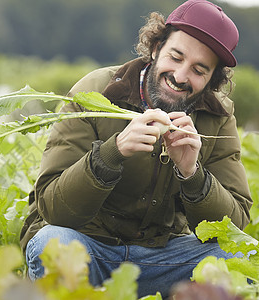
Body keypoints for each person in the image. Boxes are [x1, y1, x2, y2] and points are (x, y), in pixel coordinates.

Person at [19, 0, 252, 298]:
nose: (180, 76)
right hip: (89, 249)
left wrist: (192, 174)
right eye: (176, 57)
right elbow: (52, 208)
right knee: (53, 244)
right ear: (156, 48)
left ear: (212, 80)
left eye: (198, 70)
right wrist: (111, 154)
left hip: (161, 259)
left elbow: (235, 229)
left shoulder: (217, 117)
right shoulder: (94, 93)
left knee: (239, 261)